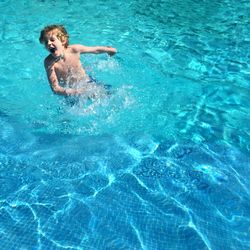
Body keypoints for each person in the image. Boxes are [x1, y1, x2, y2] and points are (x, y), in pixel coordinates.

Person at [39, 24, 117, 97]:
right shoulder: (49, 62)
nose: (49, 43)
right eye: (46, 42)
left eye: (52, 40)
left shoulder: (75, 49)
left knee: (108, 94)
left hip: (87, 82)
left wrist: (108, 50)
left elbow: (95, 50)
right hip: (69, 91)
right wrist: (71, 92)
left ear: (63, 41)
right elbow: (55, 88)